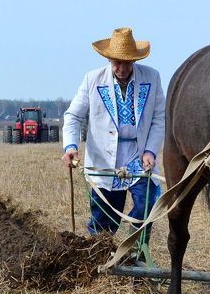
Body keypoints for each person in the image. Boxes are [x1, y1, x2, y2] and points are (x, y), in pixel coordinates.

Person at [62, 27, 165, 256]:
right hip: (104, 161)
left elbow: (159, 118)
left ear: (135, 60)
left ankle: (137, 251)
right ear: (108, 59)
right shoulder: (92, 80)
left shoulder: (152, 77)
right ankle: (98, 258)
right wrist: (70, 147)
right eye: (117, 62)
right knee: (104, 220)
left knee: (146, 206)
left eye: (127, 63)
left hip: (139, 159)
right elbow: (73, 116)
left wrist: (150, 150)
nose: (121, 68)